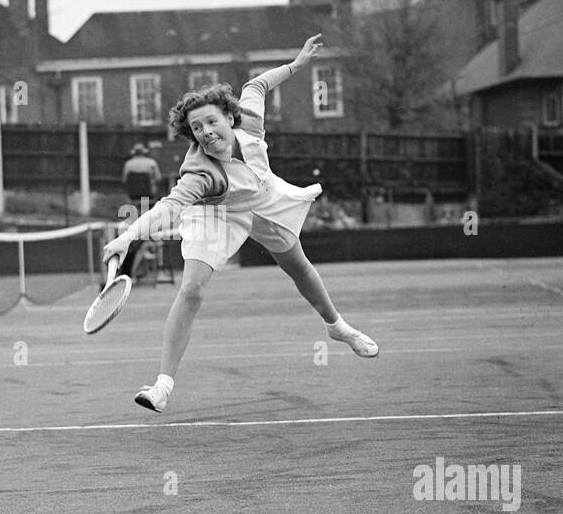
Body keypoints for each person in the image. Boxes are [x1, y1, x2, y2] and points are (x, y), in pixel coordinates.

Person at [101, 34, 378, 413]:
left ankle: (336, 326)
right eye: (197, 128)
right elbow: (169, 206)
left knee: (298, 267)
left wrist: (296, 66)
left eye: (212, 121)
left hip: (263, 197)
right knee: (192, 290)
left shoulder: (249, 119)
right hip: (215, 213)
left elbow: (256, 84)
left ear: (230, 118)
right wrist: (127, 237)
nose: (206, 131)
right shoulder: (200, 173)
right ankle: (162, 386)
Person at [119, 144, 163, 279]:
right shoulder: (151, 163)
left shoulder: (128, 164)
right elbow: (159, 178)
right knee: (151, 236)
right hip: (148, 200)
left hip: (133, 201)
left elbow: (124, 180)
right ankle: (153, 269)